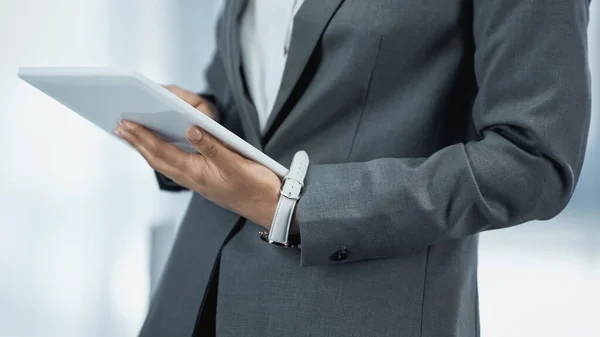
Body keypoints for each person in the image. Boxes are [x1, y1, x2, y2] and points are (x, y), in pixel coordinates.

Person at [112, 0, 592, 336]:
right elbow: (252, 99)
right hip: (194, 300)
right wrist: (202, 126)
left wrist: (302, 207)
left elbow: (533, 162)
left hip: (357, 313)